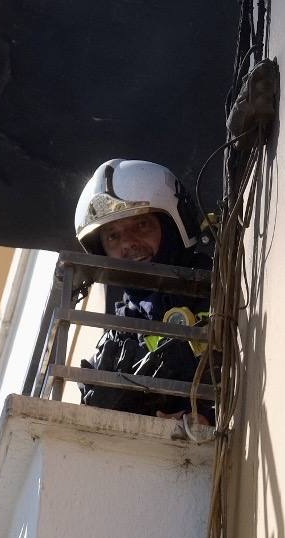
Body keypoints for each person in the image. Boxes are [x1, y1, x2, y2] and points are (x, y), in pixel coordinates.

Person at [73, 159, 214, 422]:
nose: (128, 243)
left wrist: (209, 418)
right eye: (113, 236)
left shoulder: (225, 284)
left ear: (174, 225)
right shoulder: (117, 339)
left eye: (141, 225)